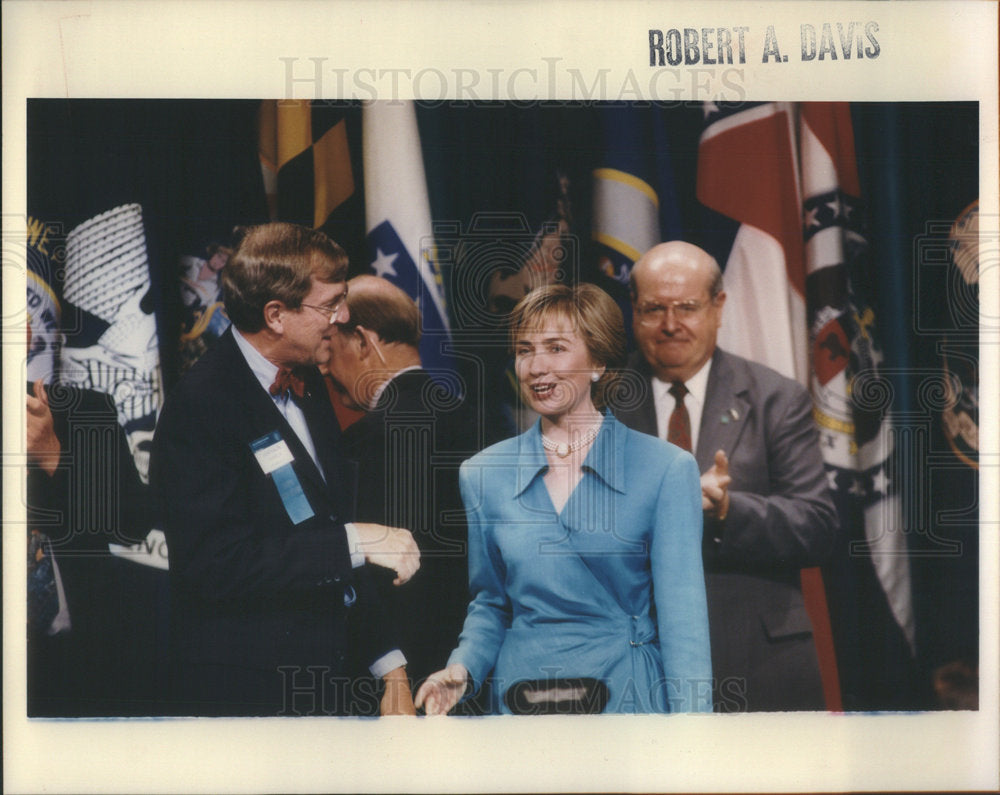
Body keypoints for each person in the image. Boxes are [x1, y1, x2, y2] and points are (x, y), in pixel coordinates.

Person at [150, 222, 419, 717]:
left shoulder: (310, 384)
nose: (341, 319)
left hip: (330, 693)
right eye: (329, 305)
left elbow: (325, 526)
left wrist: (390, 667)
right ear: (275, 315)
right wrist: (357, 541)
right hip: (246, 704)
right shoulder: (201, 404)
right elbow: (215, 566)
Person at [416, 283, 712, 715]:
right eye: (524, 350)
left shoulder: (665, 469)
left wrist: (694, 735)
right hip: (524, 705)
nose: (536, 367)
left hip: (626, 702)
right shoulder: (483, 474)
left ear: (598, 361)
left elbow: (684, 623)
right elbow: (491, 605)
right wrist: (463, 668)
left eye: (556, 348)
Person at [616, 240, 838, 711]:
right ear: (633, 311)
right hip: (635, 664)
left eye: (687, 308)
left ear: (719, 307)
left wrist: (727, 510)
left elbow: (816, 525)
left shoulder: (776, 399)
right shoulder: (600, 405)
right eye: (654, 308)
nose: (671, 324)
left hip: (756, 661)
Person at [325, 275, 479, 694]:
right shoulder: (483, 423)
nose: (323, 365)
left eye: (331, 348)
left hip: (397, 686)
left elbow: (378, 585)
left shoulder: (363, 445)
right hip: (472, 669)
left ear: (362, 341)